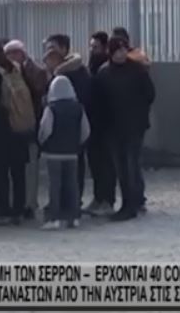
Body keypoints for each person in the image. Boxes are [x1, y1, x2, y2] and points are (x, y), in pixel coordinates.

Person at [96, 37, 156, 221]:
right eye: (118, 50)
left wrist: (139, 112)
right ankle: (128, 203)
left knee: (131, 164)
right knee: (121, 167)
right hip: (113, 128)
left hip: (134, 126)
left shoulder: (137, 70)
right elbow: (99, 101)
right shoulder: (104, 73)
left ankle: (133, 203)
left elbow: (150, 94)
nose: (121, 54)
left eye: (124, 50)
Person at [0, 38, 36, 224]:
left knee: (1, 171)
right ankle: (20, 208)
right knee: (18, 171)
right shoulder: (15, 69)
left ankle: (3, 208)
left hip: (2, 129)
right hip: (20, 125)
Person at [42, 34, 93, 203]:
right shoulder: (53, 70)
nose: (49, 52)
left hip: (72, 127)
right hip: (61, 129)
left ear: (64, 49)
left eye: (53, 47)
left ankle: (72, 202)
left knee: (73, 171)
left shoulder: (76, 71)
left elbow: (83, 97)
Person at [39, 76, 92, 230]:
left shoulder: (51, 108)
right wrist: (77, 144)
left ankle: (54, 218)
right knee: (72, 185)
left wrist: (43, 142)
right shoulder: (78, 108)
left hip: (54, 154)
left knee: (55, 185)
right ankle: (73, 217)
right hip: (72, 153)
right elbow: (86, 131)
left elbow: (45, 130)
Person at [4, 39, 48, 219]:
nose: (12, 57)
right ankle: (19, 203)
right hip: (16, 128)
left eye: (14, 53)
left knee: (31, 168)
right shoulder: (8, 73)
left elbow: (38, 90)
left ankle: (30, 203)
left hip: (31, 127)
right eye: (9, 54)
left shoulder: (34, 71)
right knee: (18, 170)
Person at [85, 31, 116, 215]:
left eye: (95, 47)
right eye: (91, 47)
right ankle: (98, 198)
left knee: (106, 165)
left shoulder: (106, 70)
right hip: (93, 123)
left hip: (106, 124)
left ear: (105, 48)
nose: (92, 50)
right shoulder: (93, 67)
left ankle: (107, 200)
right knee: (95, 164)